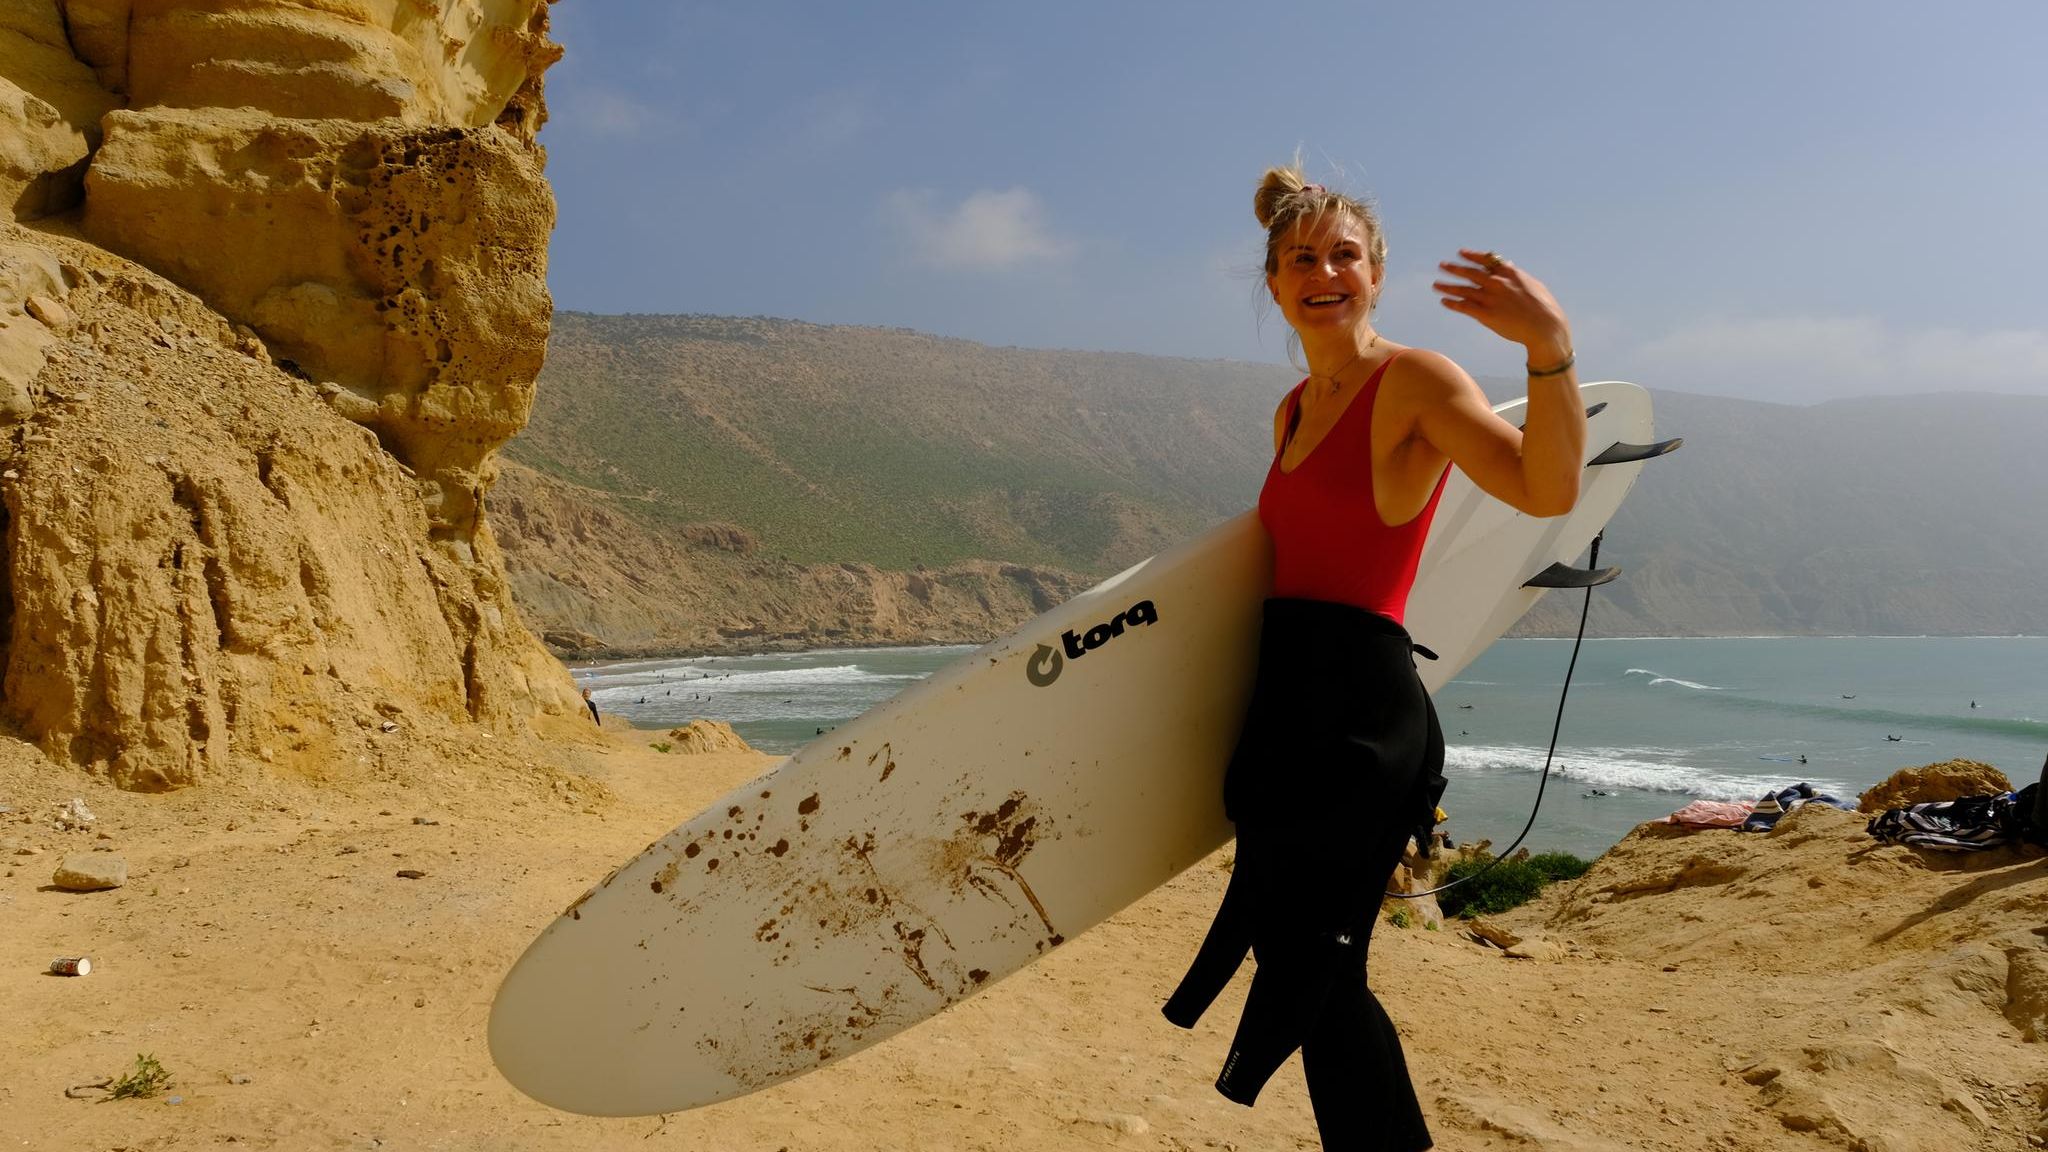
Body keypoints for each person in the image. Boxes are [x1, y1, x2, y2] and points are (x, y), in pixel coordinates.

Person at [1161, 166, 1587, 1152]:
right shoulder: (1290, 409)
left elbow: (1545, 486)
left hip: (1361, 712)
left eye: (1343, 255)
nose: (1323, 272)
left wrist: (1548, 350)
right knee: (1298, 959)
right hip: (1287, 703)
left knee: (1318, 961)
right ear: (1271, 284)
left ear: (1376, 272)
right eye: (1301, 258)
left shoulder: (1416, 383)